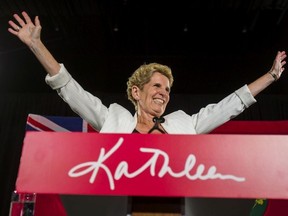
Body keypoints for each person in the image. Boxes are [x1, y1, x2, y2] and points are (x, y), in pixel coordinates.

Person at [8, 11, 287, 215]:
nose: (164, 92)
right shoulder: (113, 118)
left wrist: (271, 77)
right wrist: (36, 44)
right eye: (157, 85)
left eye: (167, 89)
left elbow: (229, 106)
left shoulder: (183, 124)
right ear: (136, 93)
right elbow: (69, 88)